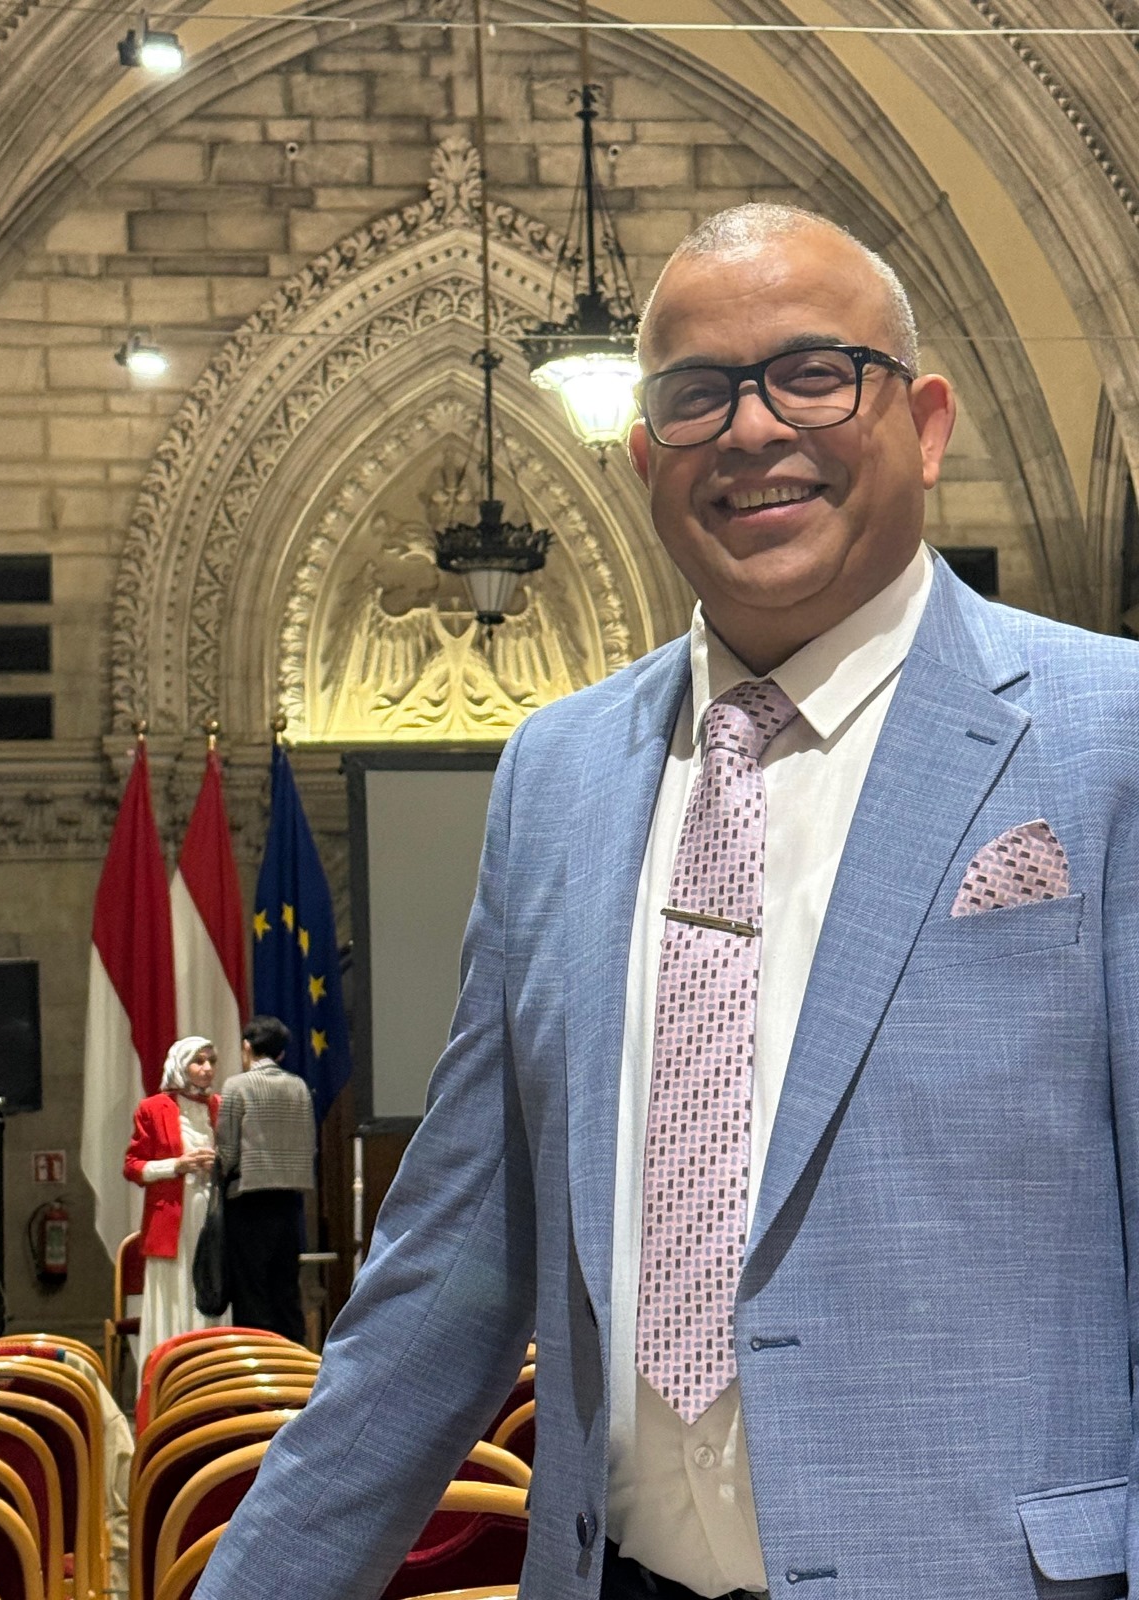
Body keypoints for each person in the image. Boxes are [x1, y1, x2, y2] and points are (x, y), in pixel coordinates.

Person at [198, 204, 1139, 1600]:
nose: (754, 429)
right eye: (699, 394)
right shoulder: (558, 774)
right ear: (646, 459)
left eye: (815, 373)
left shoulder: (1108, 737)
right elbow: (453, 1267)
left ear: (927, 423)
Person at [123, 1034, 222, 1374]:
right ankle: (167, 1375)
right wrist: (176, 1166)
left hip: (211, 1214)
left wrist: (219, 1164)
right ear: (181, 1065)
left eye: (211, 1061)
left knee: (210, 1287)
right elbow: (133, 1167)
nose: (207, 1068)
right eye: (199, 1061)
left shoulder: (220, 1106)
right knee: (175, 1292)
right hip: (171, 1219)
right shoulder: (153, 1108)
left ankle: (210, 1374)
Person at [215, 1014, 316, 1340]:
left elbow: (227, 1150)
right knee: (285, 1288)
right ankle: (293, 1359)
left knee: (250, 1289)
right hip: (289, 1199)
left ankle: (257, 1361)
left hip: (248, 1197)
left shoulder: (237, 1086)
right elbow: (309, 1142)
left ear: (247, 1047)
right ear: (281, 1052)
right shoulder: (299, 1086)